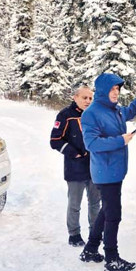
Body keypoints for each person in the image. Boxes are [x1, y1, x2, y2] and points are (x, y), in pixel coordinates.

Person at [79, 73, 136, 271]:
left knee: (106, 210)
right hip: (105, 172)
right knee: (114, 214)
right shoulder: (91, 114)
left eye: (118, 89)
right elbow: (91, 143)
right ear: (103, 90)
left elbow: (131, 109)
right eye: (112, 89)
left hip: (116, 170)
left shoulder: (116, 111)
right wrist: (121, 140)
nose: (116, 93)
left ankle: (90, 249)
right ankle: (111, 258)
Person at [50, 85, 99, 247]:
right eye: (84, 98)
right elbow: (55, 140)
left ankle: (96, 232)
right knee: (74, 204)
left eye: (90, 98)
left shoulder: (94, 115)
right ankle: (74, 234)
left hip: (94, 168)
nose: (88, 101)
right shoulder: (65, 115)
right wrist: (74, 152)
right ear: (75, 98)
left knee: (95, 203)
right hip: (75, 168)